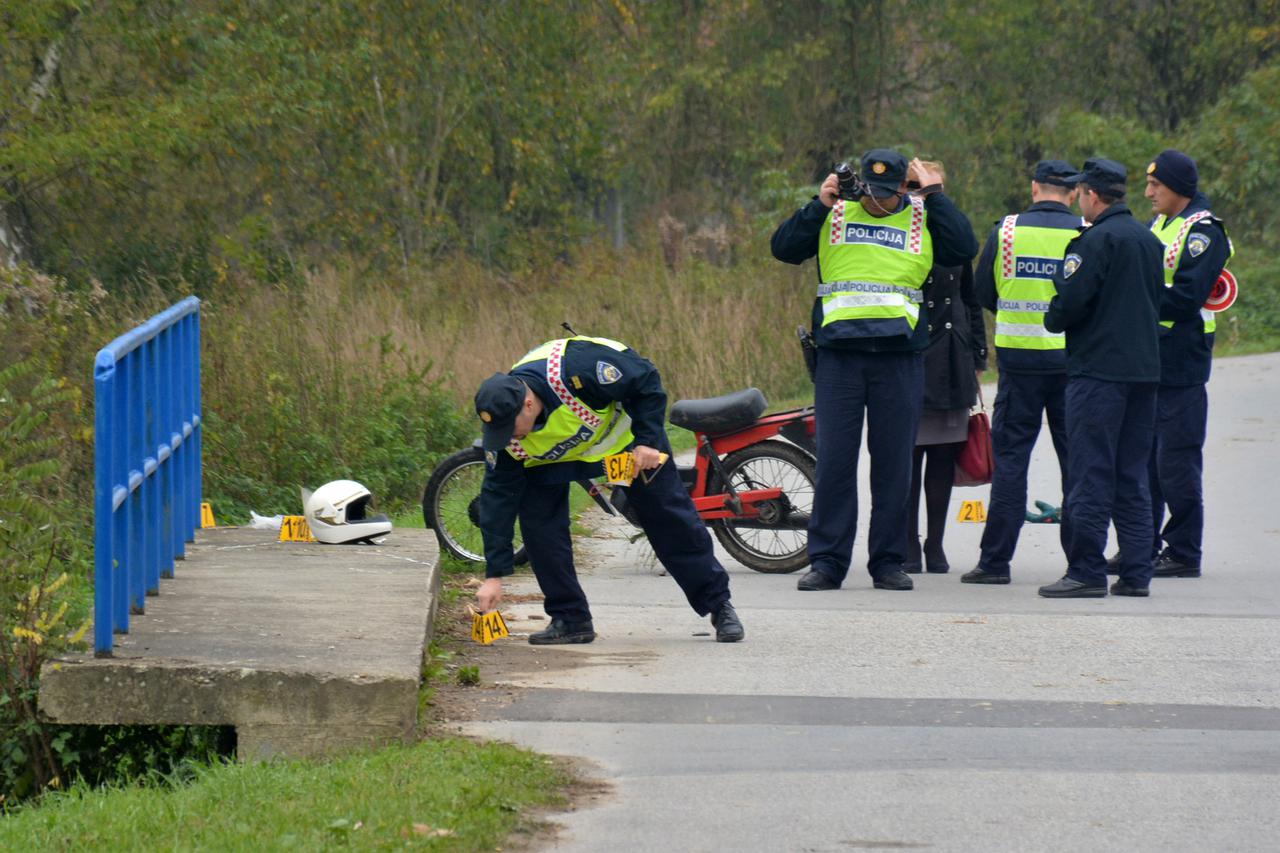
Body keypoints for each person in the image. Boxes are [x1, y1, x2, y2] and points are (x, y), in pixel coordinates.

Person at [771, 149, 978, 592]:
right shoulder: (835, 212)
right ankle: (827, 562)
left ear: (905, 186)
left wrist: (936, 195)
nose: (877, 200)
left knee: (893, 466)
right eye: (871, 190)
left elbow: (964, 248)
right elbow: (783, 249)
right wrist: (818, 203)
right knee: (835, 464)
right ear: (859, 183)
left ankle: (888, 561)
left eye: (889, 192)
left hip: (900, 358)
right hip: (839, 358)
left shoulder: (923, 216)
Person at [472, 335, 744, 643]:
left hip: (626, 450)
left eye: (510, 429)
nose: (509, 438)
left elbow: (646, 382)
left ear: (529, 403)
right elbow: (498, 501)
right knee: (541, 532)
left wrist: (647, 441)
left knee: (670, 519)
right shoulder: (507, 441)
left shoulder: (578, 369)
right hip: (552, 463)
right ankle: (570, 619)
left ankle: (719, 606)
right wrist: (494, 575)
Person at [1040, 158, 1164, 598]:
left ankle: (1087, 570)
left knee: (1090, 472)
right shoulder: (1148, 239)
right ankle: (1136, 572)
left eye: (1081, 194)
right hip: (1144, 374)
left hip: (1098, 375)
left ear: (1092, 194)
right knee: (1131, 475)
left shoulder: (1092, 242)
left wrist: (1054, 317)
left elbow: (1069, 303)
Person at [963, 160, 1081, 585]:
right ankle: (1080, 563)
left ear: (1034, 188)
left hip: (1018, 361)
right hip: (1071, 363)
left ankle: (995, 563)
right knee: (1078, 462)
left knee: (1012, 461)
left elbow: (982, 292)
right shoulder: (1085, 231)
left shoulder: (1007, 231)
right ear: (1071, 192)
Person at [1136, 150, 1233, 579]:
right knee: (1146, 460)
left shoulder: (1203, 231)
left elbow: (1186, 295)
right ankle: (1143, 544)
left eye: (1156, 185)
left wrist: (1132, 300)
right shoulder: (1162, 224)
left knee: (1176, 460)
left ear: (1178, 188)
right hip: (1153, 356)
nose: (1148, 192)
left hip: (1182, 360)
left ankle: (1183, 550)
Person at [903, 161, 988, 575]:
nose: (920, 193)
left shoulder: (956, 235)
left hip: (951, 358)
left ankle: (934, 543)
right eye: (913, 186)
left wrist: (978, 356)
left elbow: (970, 300)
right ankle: (906, 543)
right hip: (911, 354)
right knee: (905, 458)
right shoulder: (901, 231)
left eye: (928, 187)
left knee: (940, 458)